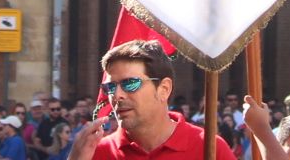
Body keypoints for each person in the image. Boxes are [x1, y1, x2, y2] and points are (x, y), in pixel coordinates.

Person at [70, 39, 238, 160]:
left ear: (164, 89)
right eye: (110, 87)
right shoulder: (96, 152)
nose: (117, 95)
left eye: (130, 83)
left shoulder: (209, 148)